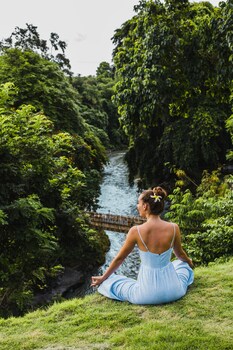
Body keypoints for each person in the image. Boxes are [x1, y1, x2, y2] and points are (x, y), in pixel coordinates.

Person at [91, 186, 194, 304]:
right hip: (174, 292)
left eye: (138, 203)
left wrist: (103, 277)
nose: (137, 206)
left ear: (145, 206)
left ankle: (106, 280)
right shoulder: (174, 228)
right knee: (182, 264)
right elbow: (180, 254)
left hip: (146, 295)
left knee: (110, 282)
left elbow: (120, 258)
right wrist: (189, 262)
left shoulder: (136, 231)